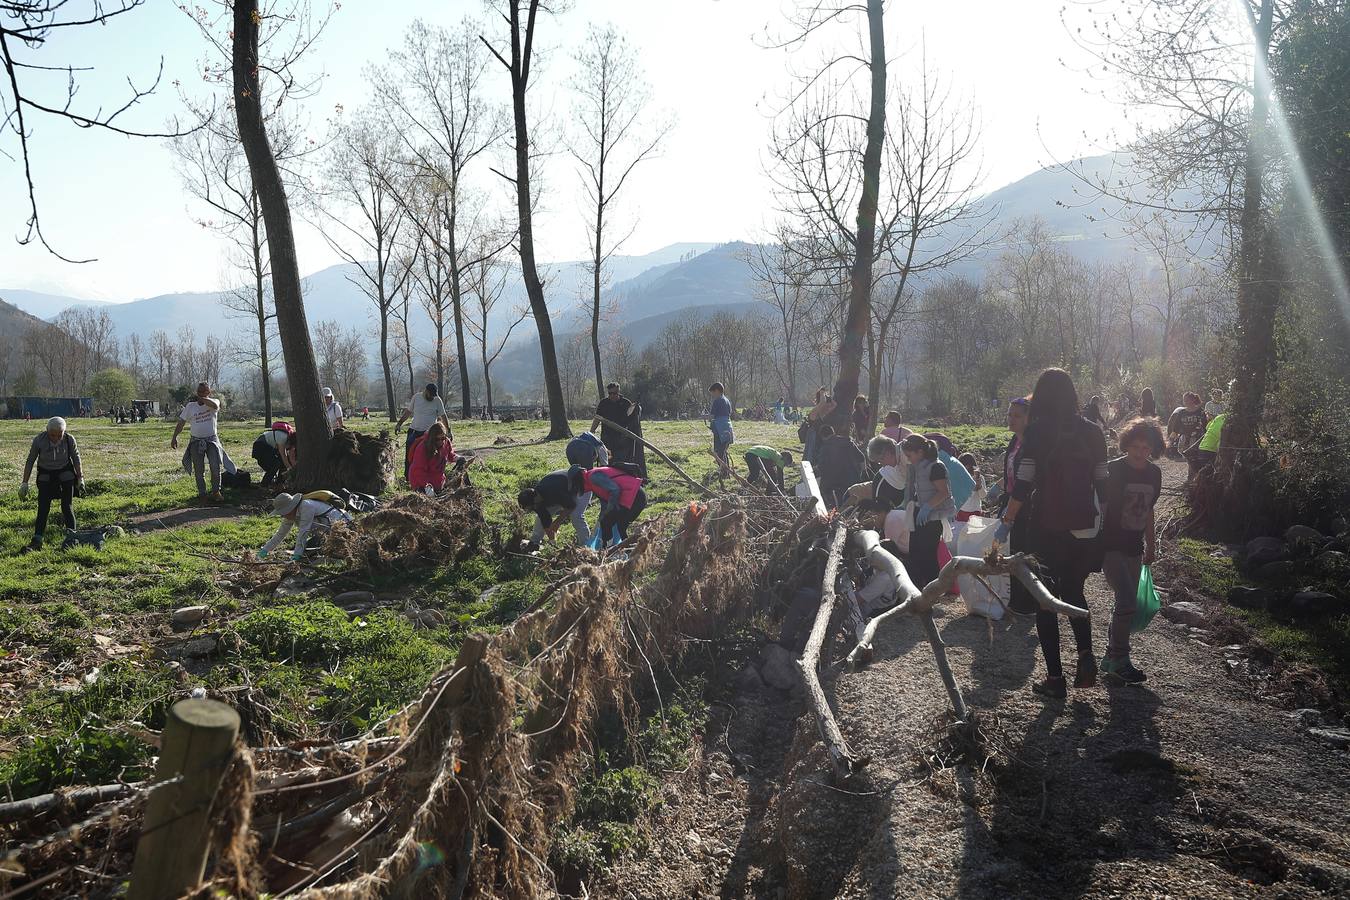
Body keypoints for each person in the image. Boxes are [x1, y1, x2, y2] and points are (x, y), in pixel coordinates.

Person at [998, 368, 1108, 699]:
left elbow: (1024, 484)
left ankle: (1055, 678)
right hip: (1083, 526)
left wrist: (1006, 520)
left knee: (1044, 599)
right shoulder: (1093, 431)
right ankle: (1087, 656)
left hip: (1044, 526)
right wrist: (1103, 527)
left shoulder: (1038, 431)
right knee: (1074, 591)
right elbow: (1103, 482)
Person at [1100, 418, 1164, 684]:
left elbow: (1149, 511)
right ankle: (1121, 660)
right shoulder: (1113, 470)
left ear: (1153, 448)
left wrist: (1151, 544)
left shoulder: (1154, 473)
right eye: (1135, 446)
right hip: (1110, 545)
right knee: (1127, 600)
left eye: (1145, 448)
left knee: (1124, 603)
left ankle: (1109, 655)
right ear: (1126, 444)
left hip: (1134, 546)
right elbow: (1100, 508)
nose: (1140, 452)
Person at [986, 397, 1034, 613]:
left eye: (1017, 416)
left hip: (1027, 506)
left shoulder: (1031, 445)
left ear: (1029, 418)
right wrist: (998, 487)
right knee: (1010, 549)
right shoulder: (1014, 441)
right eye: (1010, 414)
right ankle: (1012, 597)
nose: (1011, 419)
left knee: (1022, 552)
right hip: (1011, 499)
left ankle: (1027, 603)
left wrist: (1008, 518)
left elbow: (1026, 483)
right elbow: (1011, 474)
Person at [19, 417, 83, 552]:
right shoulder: (39, 440)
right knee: (43, 508)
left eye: (59, 435)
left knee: (67, 506)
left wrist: (80, 478)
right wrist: (24, 483)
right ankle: (37, 540)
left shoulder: (69, 439)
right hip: (46, 475)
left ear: (63, 432)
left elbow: (76, 458)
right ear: (47, 431)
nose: (55, 438)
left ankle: (72, 538)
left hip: (65, 473)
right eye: (52, 435)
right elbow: (30, 460)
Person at [900, 434, 955, 588]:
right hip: (919, 515)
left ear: (920, 452)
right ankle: (916, 591)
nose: (908, 459)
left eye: (910, 455)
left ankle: (933, 593)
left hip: (931, 518)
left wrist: (927, 507)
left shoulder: (935, 466)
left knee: (928, 558)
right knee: (915, 555)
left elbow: (943, 492)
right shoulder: (916, 467)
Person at [171, 382, 227, 501]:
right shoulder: (190, 406)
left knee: (215, 467)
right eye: (199, 392)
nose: (200, 394)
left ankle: (216, 492)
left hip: (212, 440)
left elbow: (215, 406)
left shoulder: (214, 402)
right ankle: (202, 494)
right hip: (196, 441)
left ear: (209, 392)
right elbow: (181, 422)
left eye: (204, 392)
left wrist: (203, 399)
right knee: (199, 470)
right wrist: (174, 436)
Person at [258, 492, 352, 561]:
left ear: (290, 508)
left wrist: (297, 555)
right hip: (324, 532)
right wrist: (265, 550)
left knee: (310, 550)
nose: (283, 516)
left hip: (343, 526)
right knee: (307, 548)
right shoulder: (290, 515)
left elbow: (304, 531)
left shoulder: (306, 506)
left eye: (283, 512)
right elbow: (280, 534)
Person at [569, 464, 647, 544]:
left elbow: (615, 489)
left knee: (613, 524)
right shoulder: (591, 479)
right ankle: (617, 549)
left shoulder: (593, 477)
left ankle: (612, 550)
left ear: (578, 478)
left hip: (635, 496)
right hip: (633, 496)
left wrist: (610, 509)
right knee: (613, 524)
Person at [518, 469, 593, 548]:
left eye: (533, 506)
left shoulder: (553, 491)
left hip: (582, 485)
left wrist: (557, 522)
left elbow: (571, 506)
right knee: (539, 519)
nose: (534, 508)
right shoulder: (536, 501)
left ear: (536, 499)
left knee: (576, 516)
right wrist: (552, 541)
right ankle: (534, 543)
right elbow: (545, 519)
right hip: (565, 494)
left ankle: (586, 546)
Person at [396, 384, 452, 481]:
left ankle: (427, 478)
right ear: (425, 391)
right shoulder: (416, 397)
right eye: (430, 395)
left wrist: (448, 431)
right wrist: (399, 423)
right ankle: (408, 478)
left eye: (433, 395)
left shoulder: (437, 400)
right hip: (414, 431)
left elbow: (443, 416)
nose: (432, 397)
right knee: (410, 455)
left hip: (429, 435)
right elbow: (408, 412)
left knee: (429, 457)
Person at [814, 425, 865, 509]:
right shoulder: (848, 442)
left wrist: (816, 469)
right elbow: (861, 458)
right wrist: (863, 473)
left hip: (835, 483)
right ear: (833, 432)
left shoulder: (825, 448)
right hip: (853, 479)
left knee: (838, 504)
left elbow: (822, 467)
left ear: (822, 436)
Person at [592, 383, 640, 466]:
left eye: (614, 393)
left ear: (618, 392)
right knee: (606, 461)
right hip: (607, 438)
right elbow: (597, 418)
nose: (612, 396)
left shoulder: (626, 403)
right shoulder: (604, 403)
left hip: (622, 439)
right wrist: (592, 431)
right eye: (610, 393)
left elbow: (632, 420)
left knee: (620, 462)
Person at [408, 423, 456, 495]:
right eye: (437, 439)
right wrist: (426, 486)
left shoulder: (446, 442)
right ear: (432, 438)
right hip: (420, 482)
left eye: (442, 438)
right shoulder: (422, 448)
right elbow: (418, 470)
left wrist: (457, 458)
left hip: (437, 481)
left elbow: (450, 455)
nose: (440, 441)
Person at [1167, 392, 1207, 477]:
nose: (1185, 402)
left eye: (1187, 400)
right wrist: (1170, 441)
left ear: (1193, 400)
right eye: (1184, 400)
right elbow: (1176, 428)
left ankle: (1193, 477)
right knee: (1189, 459)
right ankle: (1192, 477)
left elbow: (1205, 426)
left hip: (1197, 439)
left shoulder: (1200, 411)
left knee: (1194, 459)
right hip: (1185, 439)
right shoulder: (1182, 412)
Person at [865, 434, 907, 507]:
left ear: (887, 452)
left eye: (880, 461)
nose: (883, 465)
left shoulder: (906, 457)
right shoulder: (899, 459)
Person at [252, 421, 294, 486]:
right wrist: (290, 469)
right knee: (275, 464)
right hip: (260, 446)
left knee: (281, 463)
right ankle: (264, 484)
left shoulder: (290, 441)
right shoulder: (283, 437)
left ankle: (280, 482)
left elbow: (290, 458)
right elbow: (283, 455)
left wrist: (292, 467)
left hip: (268, 448)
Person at [801, 389, 836, 463]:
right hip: (813, 439)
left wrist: (828, 397)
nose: (828, 406)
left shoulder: (824, 413)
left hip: (821, 439)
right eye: (827, 403)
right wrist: (822, 393)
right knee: (811, 458)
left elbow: (834, 404)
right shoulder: (814, 413)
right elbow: (822, 402)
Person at [707, 382, 734, 477]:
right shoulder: (727, 400)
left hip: (719, 428)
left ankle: (724, 473)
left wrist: (705, 417)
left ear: (717, 391)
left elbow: (712, 416)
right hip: (728, 427)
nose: (712, 395)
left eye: (713, 393)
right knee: (723, 452)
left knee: (719, 453)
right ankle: (726, 472)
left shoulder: (717, 401)